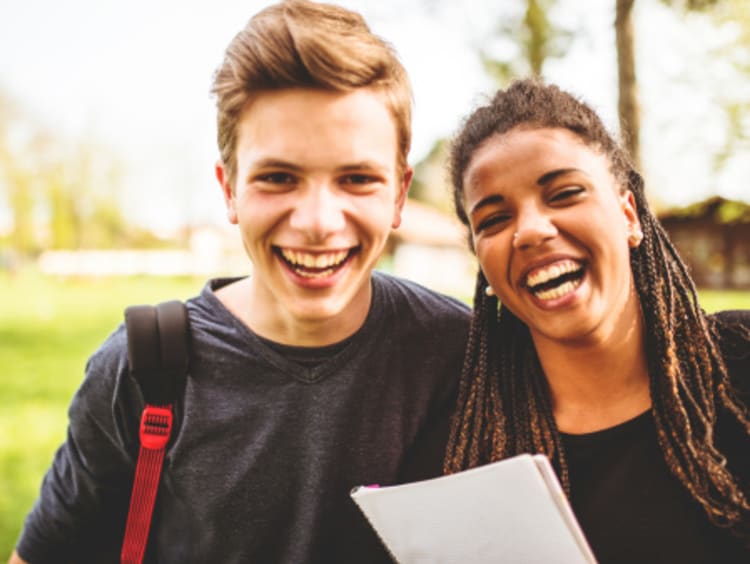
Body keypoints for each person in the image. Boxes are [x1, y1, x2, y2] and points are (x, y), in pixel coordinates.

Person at [10, 1, 470, 562]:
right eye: (278, 178)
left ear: (399, 194)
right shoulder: (144, 368)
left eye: (356, 179)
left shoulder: (460, 356)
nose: (319, 222)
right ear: (228, 189)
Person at [444, 78, 749, 563]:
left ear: (629, 215)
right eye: (494, 220)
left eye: (563, 193)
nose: (530, 231)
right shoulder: (470, 447)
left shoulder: (739, 363)